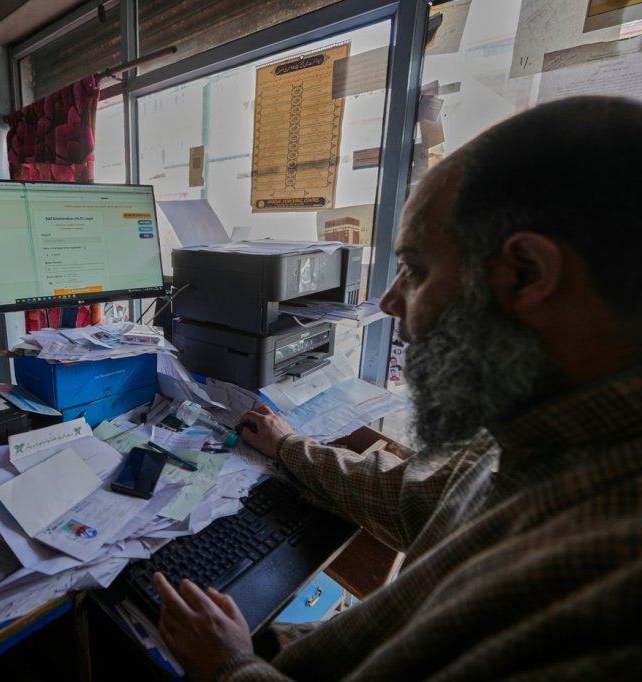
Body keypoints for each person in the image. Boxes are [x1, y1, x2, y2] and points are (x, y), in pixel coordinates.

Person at [153, 95, 642, 681]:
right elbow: (414, 497)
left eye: (415, 268)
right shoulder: (533, 434)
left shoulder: (609, 582)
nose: (388, 302)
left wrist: (231, 667)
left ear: (526, 273)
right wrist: (288, 447)